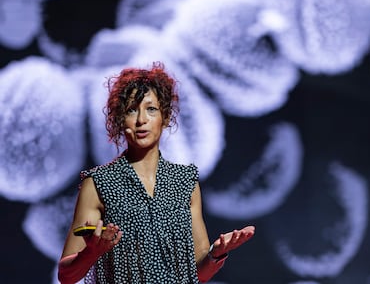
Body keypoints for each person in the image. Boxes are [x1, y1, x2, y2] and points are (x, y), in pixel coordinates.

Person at [58, 62, 255, 284]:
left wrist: (216, 254)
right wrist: (91, 252)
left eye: (151, 109)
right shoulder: (98, 184)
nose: (141, 120)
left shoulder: (185, 182)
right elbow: (66, 275)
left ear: (166, 118)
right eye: (131, 110)